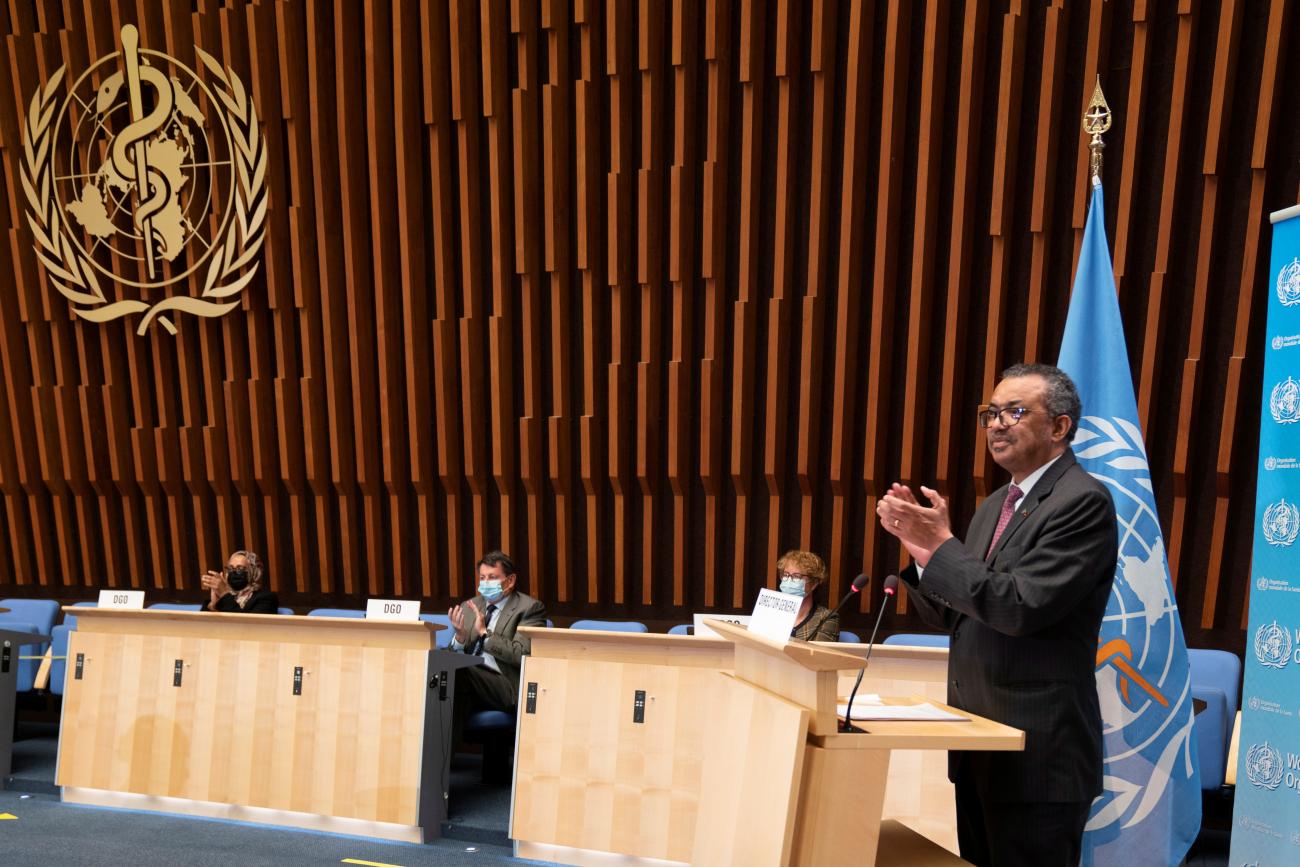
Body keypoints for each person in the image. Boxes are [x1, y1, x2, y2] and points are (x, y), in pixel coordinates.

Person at [876, 363, 1117, 867]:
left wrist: (942, 546)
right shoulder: (995, 506)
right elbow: (957, 617)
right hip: (979, 744)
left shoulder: (1082, 502)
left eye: (1015, 411)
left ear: (1059, 427)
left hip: (1037, 755)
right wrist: (923, 555)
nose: (997, 424)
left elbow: (1018, 607)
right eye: (991, 413)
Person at [447, 550, 547, 736]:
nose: (485, 583)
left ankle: (438, 760)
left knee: (459, 673)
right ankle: (439, 758)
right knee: (441, 674)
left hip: (505, 686)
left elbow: (523, 654)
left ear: (510, 581)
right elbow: (453, 656)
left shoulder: (529, 608)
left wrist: (485, 634)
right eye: (482, 578)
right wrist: (460, 637)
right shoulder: (470, 607)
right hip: (470, 683)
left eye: (492, 578)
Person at [774, 549, 840, 642]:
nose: (789, 580)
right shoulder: (772, 612)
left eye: (796, 576)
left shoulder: (826, 618)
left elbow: (818, 655)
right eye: (785, 575)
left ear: (814, 583)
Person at [200, 550, 279, 613]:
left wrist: (224, 594)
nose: (233, 573)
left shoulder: (266, 599)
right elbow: (200, 626)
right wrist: (213, 606)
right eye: (230, 569)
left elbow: (246, 626)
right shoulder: (222, 597)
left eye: (240, 569)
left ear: (253, 572)